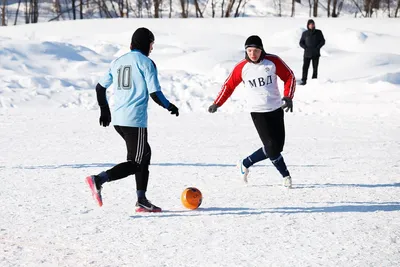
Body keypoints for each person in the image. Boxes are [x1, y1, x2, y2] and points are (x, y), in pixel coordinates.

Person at [85, 27, 179, 212]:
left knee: (144, 155)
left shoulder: (118, 62)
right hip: (135, 121)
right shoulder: (146, 63)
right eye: (151, 45)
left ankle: (141, 199)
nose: (152, 49)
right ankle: (98, 179)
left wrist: (104, 110)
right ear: (147, 45)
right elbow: (155, 93)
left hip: (119, 120)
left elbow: (99, 88)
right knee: (136, 163)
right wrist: (169, 106)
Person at [208, 35, 296, 188]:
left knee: (277, 147)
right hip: (257, 112)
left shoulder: (273, 61)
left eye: (255, 50)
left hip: (276, 108)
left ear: (261, 50)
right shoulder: (242, 67)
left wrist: (288, 96)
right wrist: (217, 103)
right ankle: (285, 176)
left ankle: (245, 163)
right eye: (249, 51)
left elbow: (289, 76)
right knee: (270, 146)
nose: (252, 54)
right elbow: (228, 86)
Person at [299, 19, 325, 85]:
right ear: (308, 25)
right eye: (310, 24)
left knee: (315, 68)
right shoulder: (305, 33)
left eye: (313, 24)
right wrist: (305, 47)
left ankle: (314, 80)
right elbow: (301, 42)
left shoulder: (318, 32)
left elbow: (323, 41)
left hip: (315, 53)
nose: (312, 25)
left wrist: (318, 47)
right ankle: (304, 80)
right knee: (305, 67)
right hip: (307, 53)